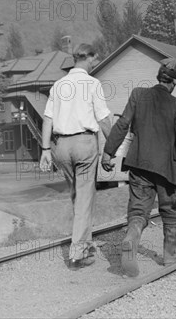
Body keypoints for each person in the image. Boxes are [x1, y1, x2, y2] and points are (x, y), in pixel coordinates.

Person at [101, 58, 176, 277]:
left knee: (139, 210)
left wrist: (108, 151)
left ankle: (131, 237)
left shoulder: (138, 95)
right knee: (171, 210)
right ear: (175, 82)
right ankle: (169, 256)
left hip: (140, 164)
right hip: (167, 170)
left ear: (158, 77)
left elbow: (122, 123)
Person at [39, 43, 112, 270]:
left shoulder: (58, 85)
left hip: (60, 146)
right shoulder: (93, 84)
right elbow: (103, 119)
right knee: (84, 197)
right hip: (84, 143)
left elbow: (48, 119)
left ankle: (86, 245)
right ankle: (77, 252)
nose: (95, 63)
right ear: (88, 58)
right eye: (94, 59)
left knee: (77, 195)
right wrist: (114, 144)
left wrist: (45, 150)